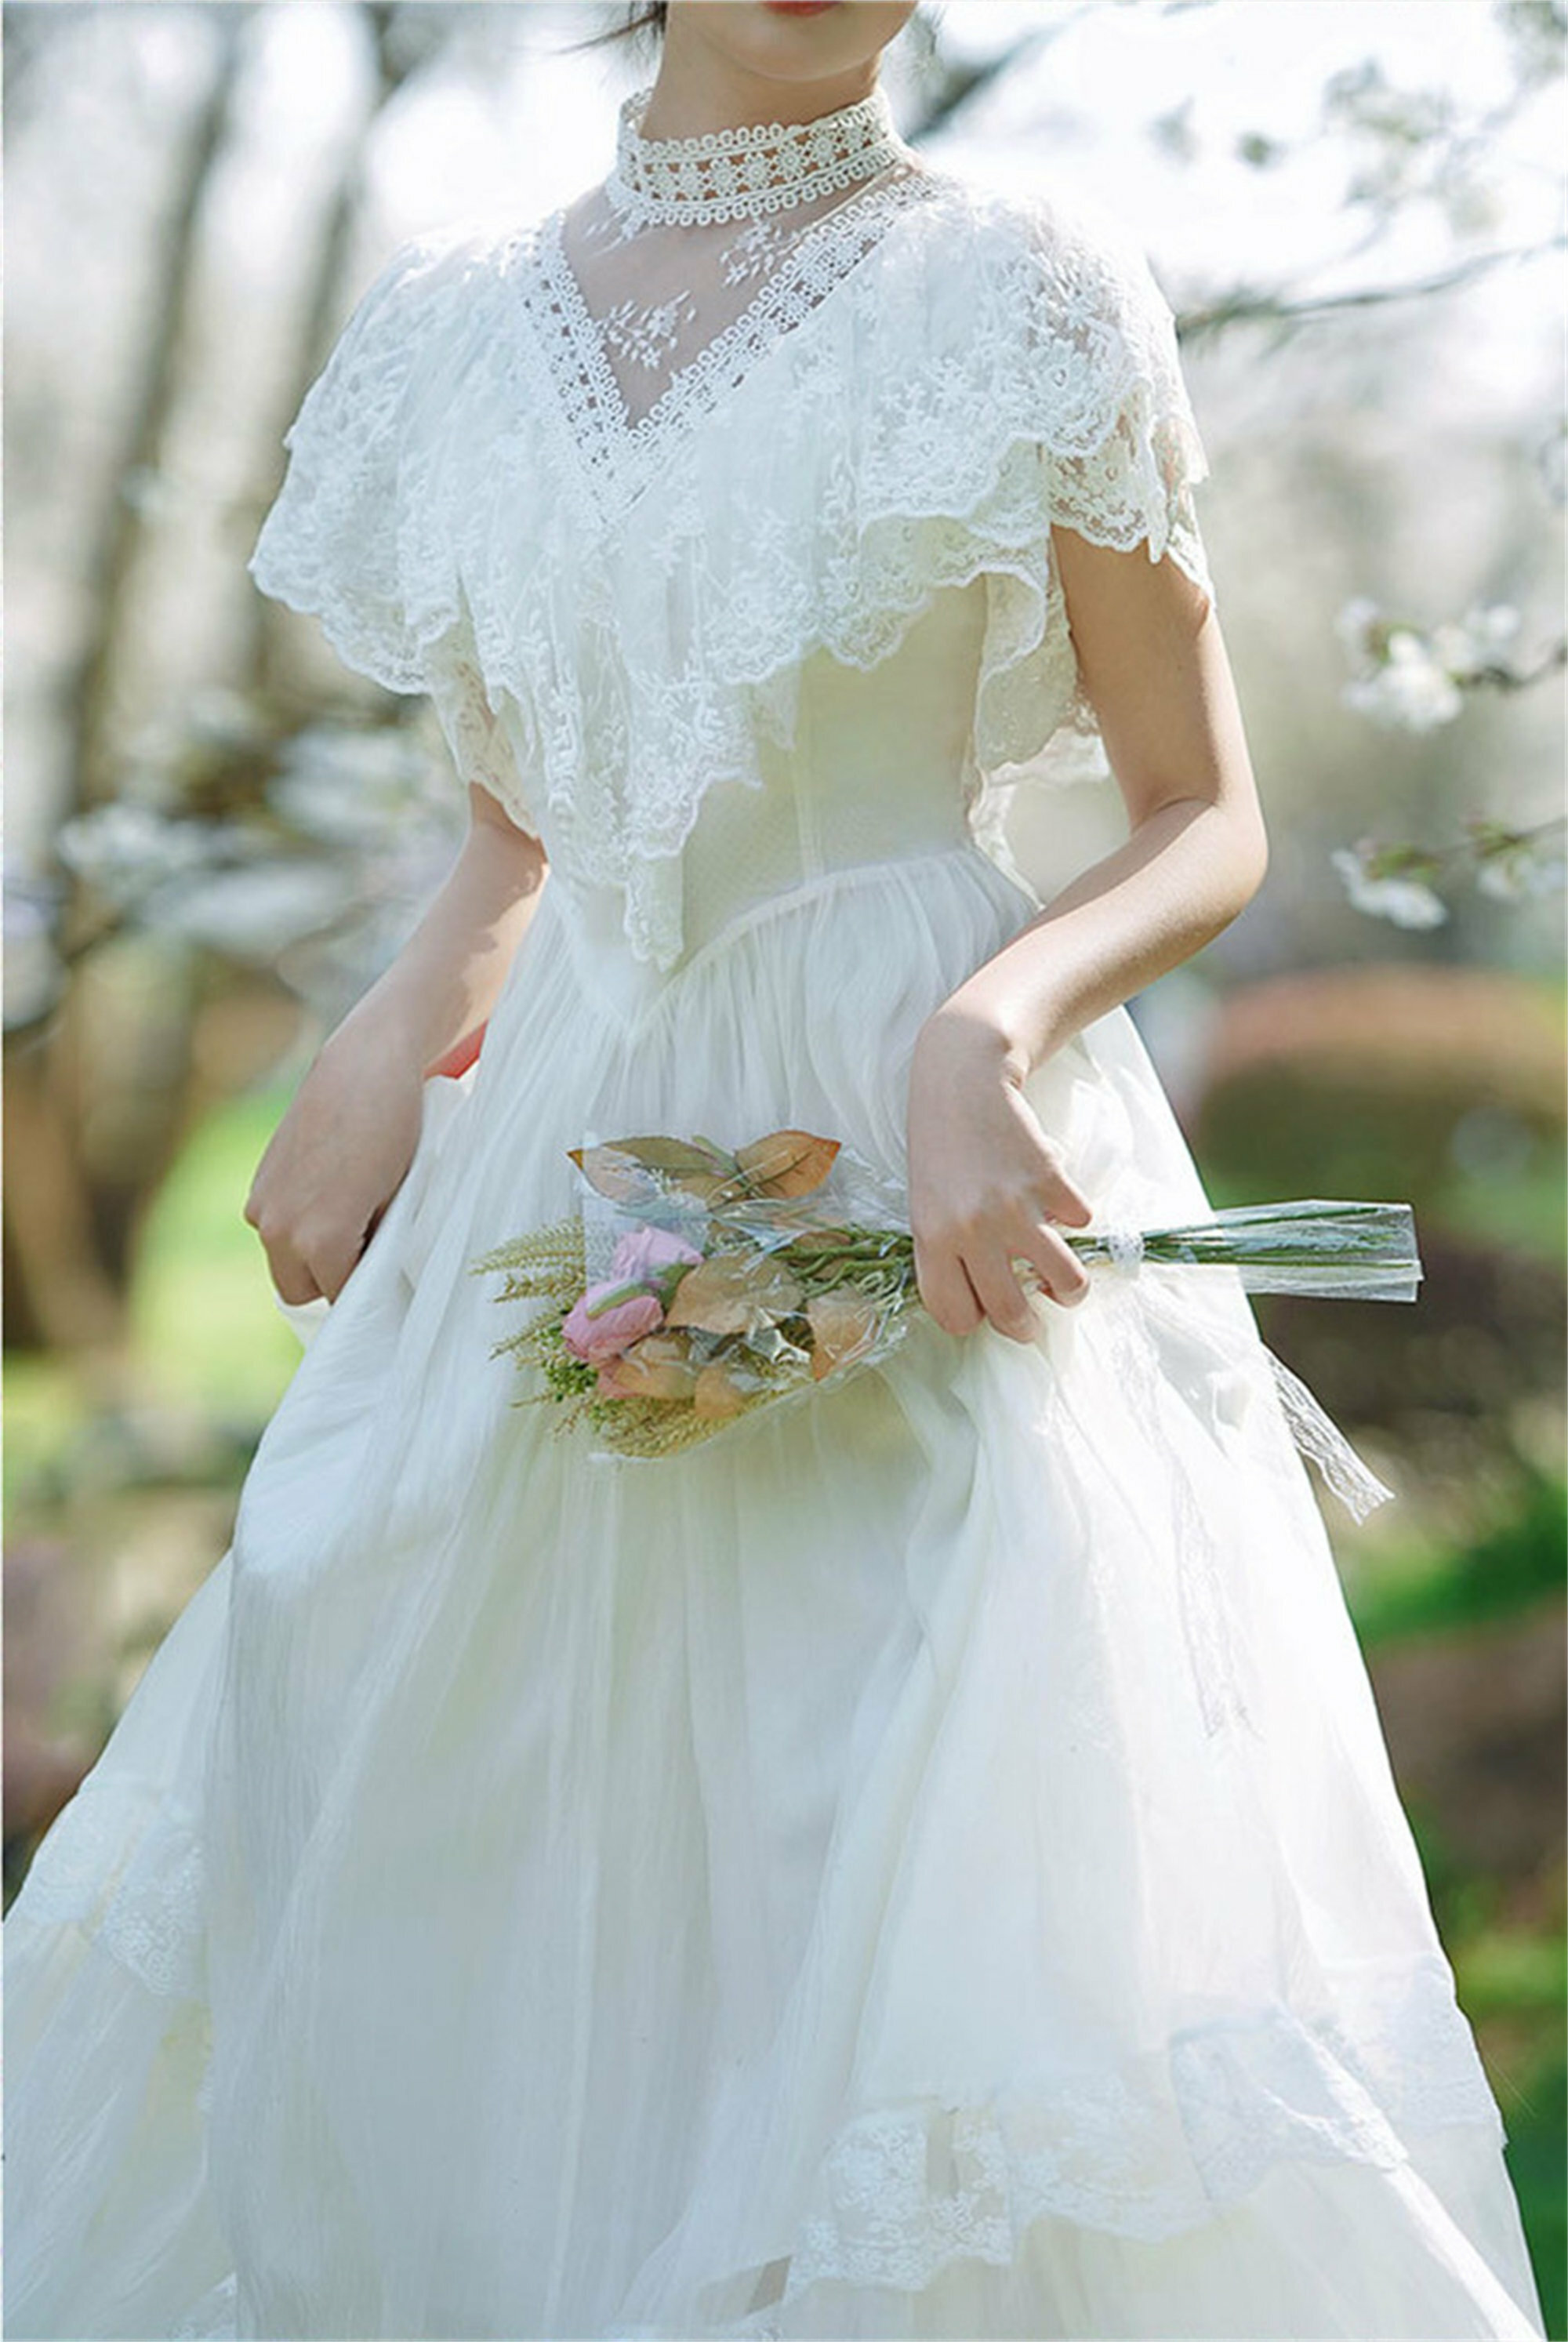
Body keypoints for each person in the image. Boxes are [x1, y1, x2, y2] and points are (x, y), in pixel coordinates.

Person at [2, 4, 1549, 2337]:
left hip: (926, 1169)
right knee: (444, 1827)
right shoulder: (454, 323)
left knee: (915, 1885)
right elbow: (532, 806)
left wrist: (985, 1021)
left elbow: (1201, 805)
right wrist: (391, 1024)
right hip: (567, 1167)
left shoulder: (1028, 284)